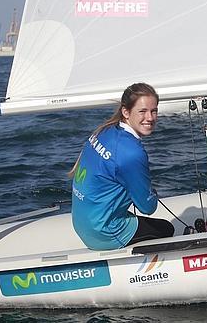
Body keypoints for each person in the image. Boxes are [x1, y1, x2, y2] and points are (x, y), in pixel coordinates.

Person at [70, 83, 174, 250]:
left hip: (82, 222)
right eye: (142, 111)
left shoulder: (105, 131)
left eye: (154, 111)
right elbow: (148, 208)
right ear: (126, 112)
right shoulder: (132, 153)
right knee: (167, 229)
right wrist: (150, 192)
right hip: (104, 233)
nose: (150, 117)